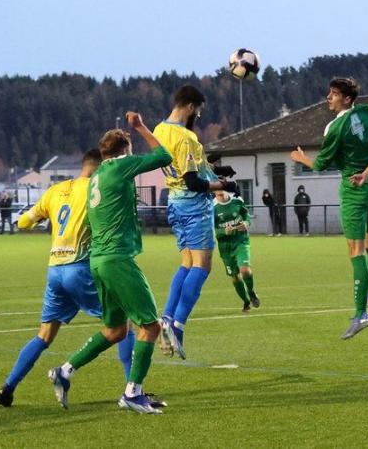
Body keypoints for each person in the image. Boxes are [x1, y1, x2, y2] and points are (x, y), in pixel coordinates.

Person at [0, 149, 143, 408]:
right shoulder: (97, 190)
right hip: (80, 268)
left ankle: (7, 388)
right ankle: (132, 388)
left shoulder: (55, 190)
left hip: (55, 271)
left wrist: (40, 218)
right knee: (123, 325)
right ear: (100, 168)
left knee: (44, 335)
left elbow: (23, 222)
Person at [48, 112, 173, 414]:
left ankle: (65, 370)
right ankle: (133, 392)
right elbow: (164, 155)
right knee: (150, 326)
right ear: (124, 151)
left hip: (99, 260)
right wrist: (142, 127)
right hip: (117, 259)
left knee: (116, 330)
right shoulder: (120, 166)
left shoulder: (95, 179)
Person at [290, 77, 368, 338]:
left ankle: (361, 314)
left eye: (333, 94)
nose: (328, 97)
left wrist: (302, 159)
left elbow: (321, 165)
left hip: (353, 190)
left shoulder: (334, 128)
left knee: (355, 250)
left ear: (346, 98)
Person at [153, 85, 238, 360]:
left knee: (187, 263)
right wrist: (222, 184)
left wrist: (216, 170)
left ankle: (166, 318)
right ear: (190, 106)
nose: (198, 116)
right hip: (193, 204)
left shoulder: (159, 130)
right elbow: (193, 181)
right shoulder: (185, 137)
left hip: (174, 203)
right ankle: (176, 327)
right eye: (198, 110)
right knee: (202, 266)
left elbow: (187, 166)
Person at [213, 189, 260, 312]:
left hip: (241, 241)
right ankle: (246, 301)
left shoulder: (237, 200)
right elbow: (210, 229)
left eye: (222, 194)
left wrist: (246, 223)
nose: (220, 197)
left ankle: (251, 292)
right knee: (235, 277)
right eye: (217, 195)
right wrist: (223, 231)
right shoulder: (212, 207)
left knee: (245, 270)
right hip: (225, 247)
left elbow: (246, 216)